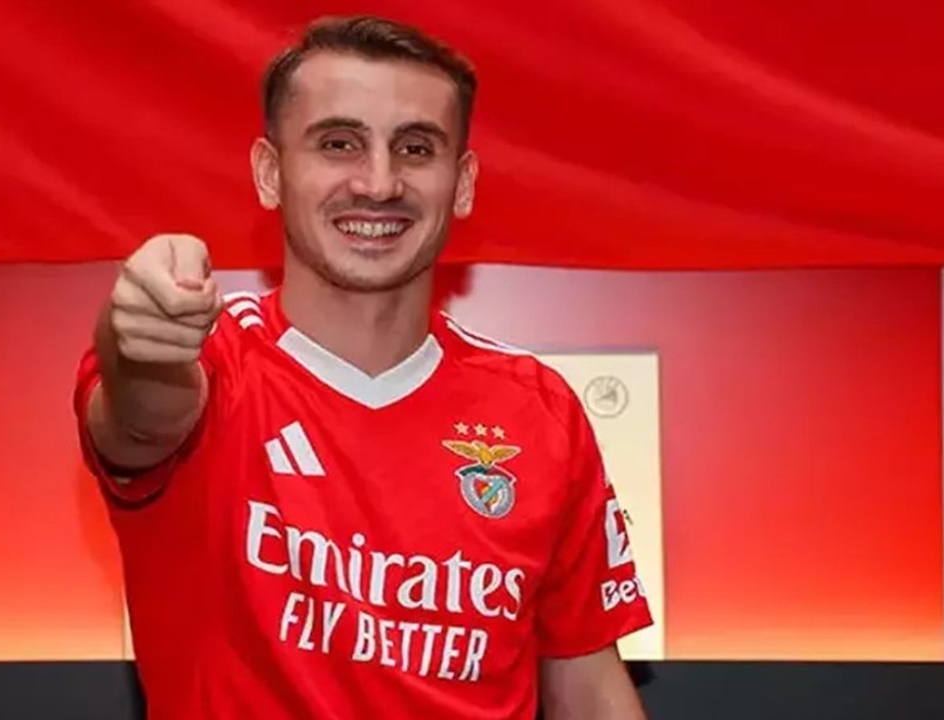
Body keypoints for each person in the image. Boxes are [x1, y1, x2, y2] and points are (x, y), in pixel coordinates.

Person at [74, 14, 653, 719]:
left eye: (415, 148)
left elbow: (590, 691)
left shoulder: (541, 410)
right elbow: (142, 413)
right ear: (270, 173)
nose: (378, 183)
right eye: (339, 143)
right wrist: (141, 336)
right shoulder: (212, 362)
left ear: (463, 182)